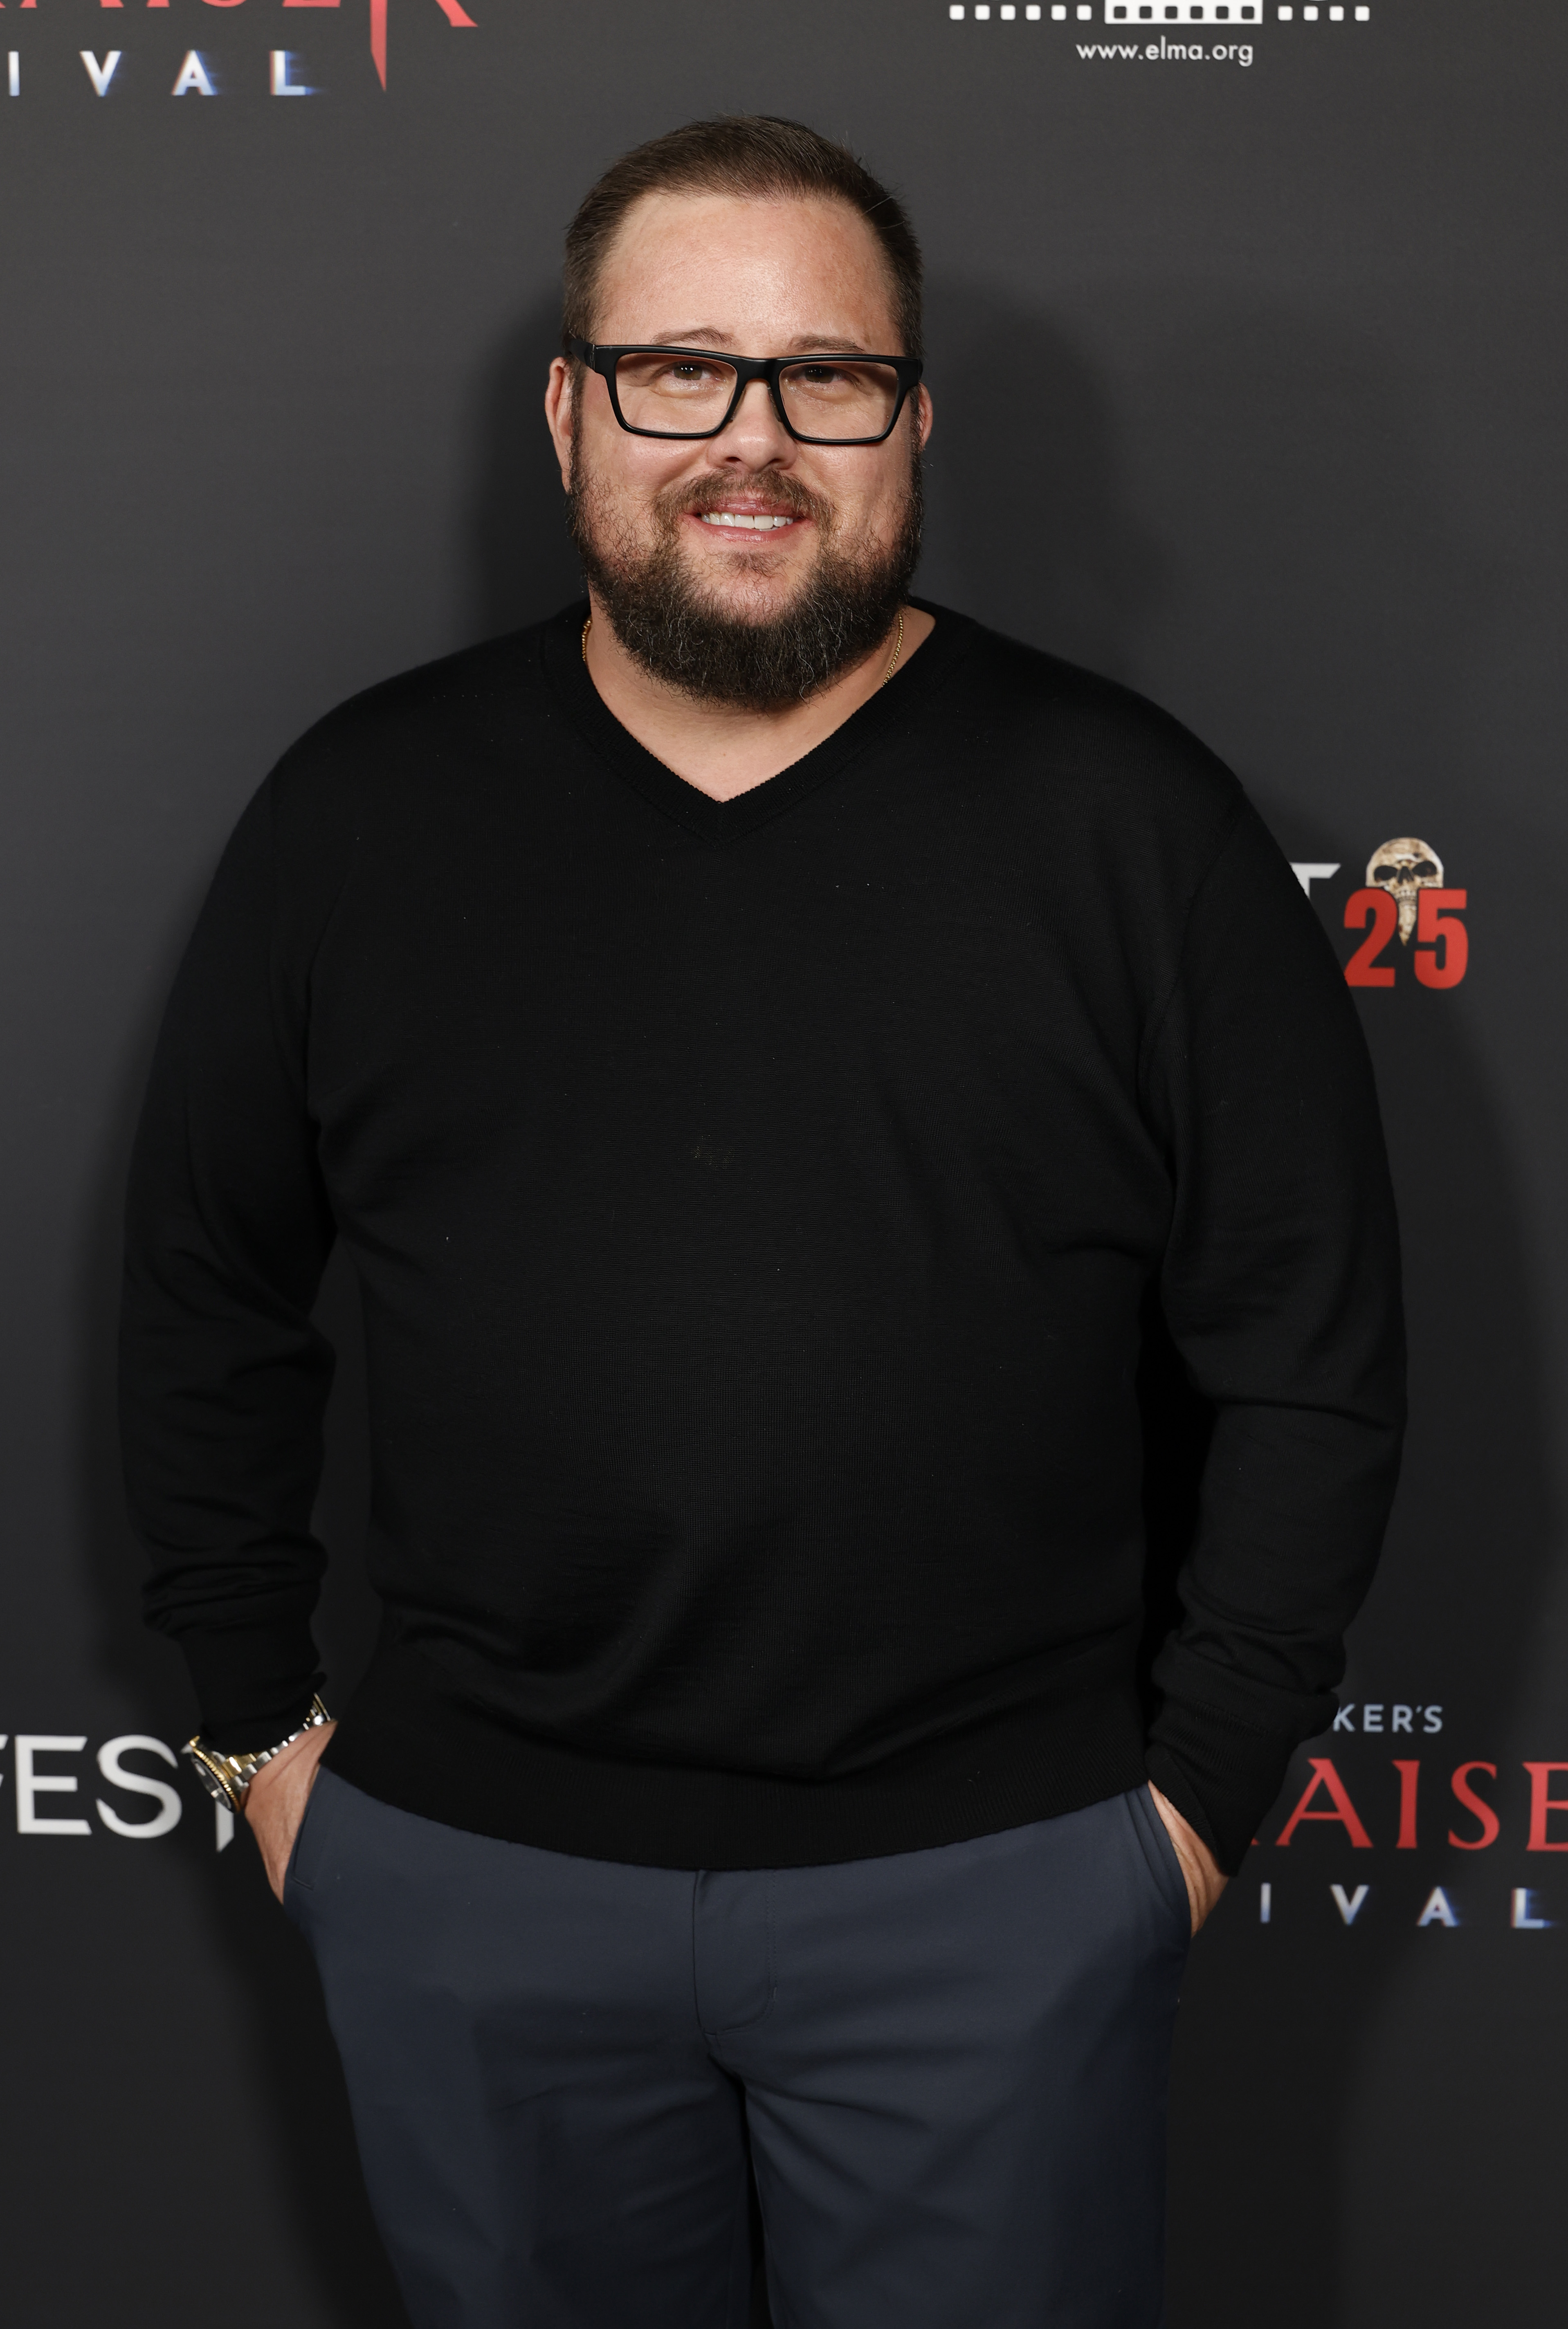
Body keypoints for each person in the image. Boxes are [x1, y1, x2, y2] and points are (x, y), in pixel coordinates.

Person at [120, 115, 1404, 2329]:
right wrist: (270, 1754)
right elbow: (209, 1296)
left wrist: (1186, 1812)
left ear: (912, 419)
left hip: (996, 1891)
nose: (752, 442)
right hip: (466, 1884)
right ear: (569, 409)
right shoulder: (362, 814)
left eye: (828, 378)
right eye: (680, 372)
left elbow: (1310, 1349)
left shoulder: (1136, 825)